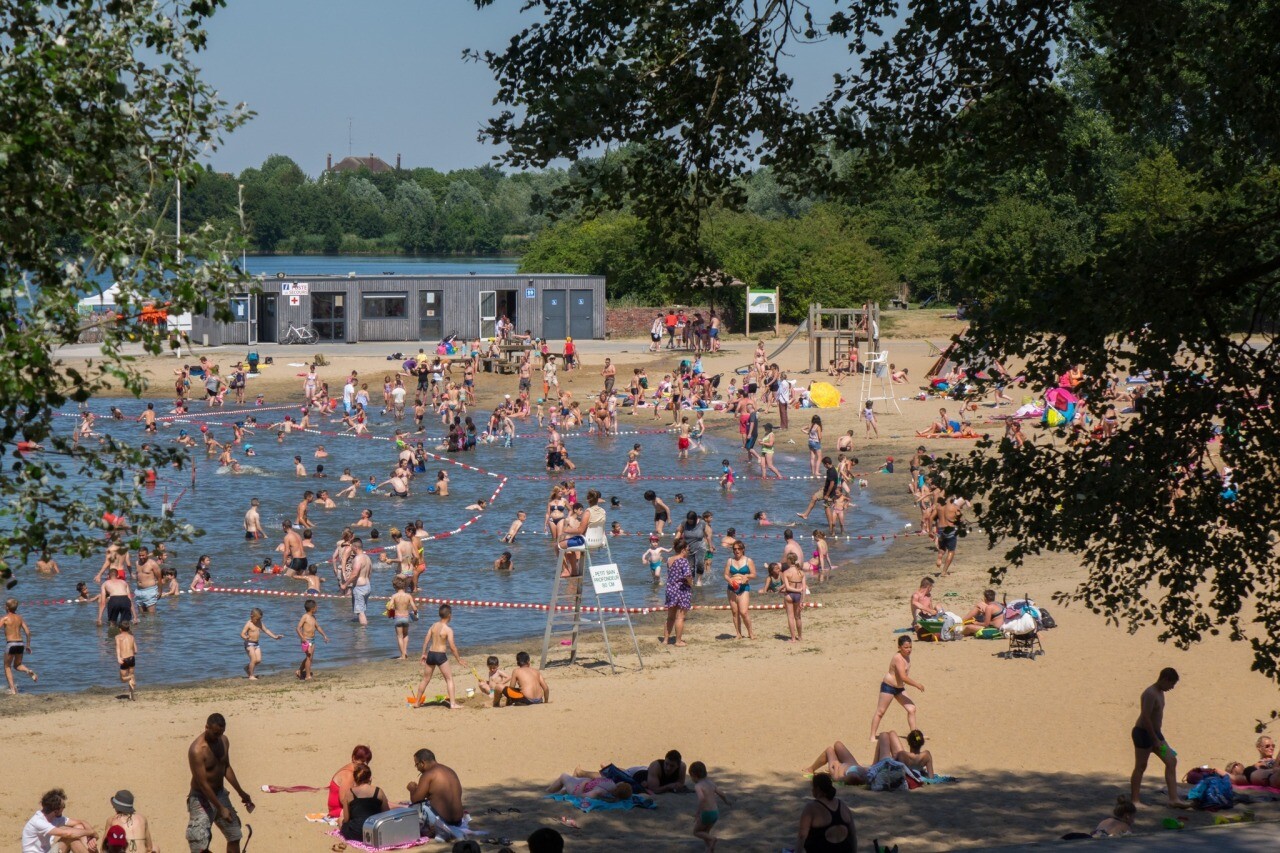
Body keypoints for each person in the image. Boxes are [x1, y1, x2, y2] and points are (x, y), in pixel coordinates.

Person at [187, 712, 255, 853]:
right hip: (201, 797)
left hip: (219, 793)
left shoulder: (224, 741)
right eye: (215, 733)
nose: (218, 737)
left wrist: (241, 792)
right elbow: (203, 784)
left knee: (235, 834)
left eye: (221, 733)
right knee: (199, 844)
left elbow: (226, 767)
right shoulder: (197, 750)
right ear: (206, 727)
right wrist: (220, 808)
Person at [1130, 667, 1191, 808]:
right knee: (1141, 766)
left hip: (1156, 735)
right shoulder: (1150, 693)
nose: (1172, 687)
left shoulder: (1160, 692)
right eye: (1172, 684)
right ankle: (1135, 800)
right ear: (1165, 680)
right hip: (1144, 735)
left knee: (1171, 760)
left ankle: (1173, 799)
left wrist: (1158, 738)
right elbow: (1145, 717)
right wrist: (1154, 739)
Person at [413, 605, 467, 709]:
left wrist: (423, 653)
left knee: (425, 679)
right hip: (440, 655)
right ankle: (452, 704)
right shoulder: (448, 629)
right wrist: (458, 659)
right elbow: (452, 647)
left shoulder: (433, 625)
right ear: (450, 616)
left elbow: (426, 639)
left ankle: (417, 702)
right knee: (449, 679)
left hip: (431, 653)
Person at [870, 635, 922, 740]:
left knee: (911, 709)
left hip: (899, 688)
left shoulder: (906, 656)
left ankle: (914, 735)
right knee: (880, 712)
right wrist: (917, 685)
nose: (909, 650)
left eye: (910, 647)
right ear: (899, 647)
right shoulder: (898, 658)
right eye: (906, 647)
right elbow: (903, 677)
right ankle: (872, 736)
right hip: (888, 687)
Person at [406, 748, 465, 838]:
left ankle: (431, 830)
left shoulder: (428, 774)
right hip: (459, 821)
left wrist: (412, 789)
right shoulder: (450, 770)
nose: (417, 769)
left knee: (413, 809)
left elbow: (416, 800)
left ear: (422, 763)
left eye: (417, 765)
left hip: (442, 821)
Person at [22, 789, 98, 853]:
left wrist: (92, 837)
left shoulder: (54, 817)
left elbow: (81, 822)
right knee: (71, 837)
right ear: (56, 811)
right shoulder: (38, 821)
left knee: (79, 828)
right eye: (63, 807)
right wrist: (92, 832)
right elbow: (68, 834)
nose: (64, 809)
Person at [796, 774, 855, 853]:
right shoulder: (842, 805)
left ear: (817, 789)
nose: (812, 790)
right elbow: (853, 834)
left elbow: (802, 836)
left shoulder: (811, 808)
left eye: (813, 788)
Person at [339, 764, 391, 841]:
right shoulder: (378, 791)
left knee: (340, 820)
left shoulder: (349, 793)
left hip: (356, 833)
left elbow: (346, 819)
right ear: (370, 778)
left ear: (355, 779)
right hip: (375, 832)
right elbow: (386, 813)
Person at [690, 761, 730, 852]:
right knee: (705, 832)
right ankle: (709, 849)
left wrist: (697, 812)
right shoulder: (711, 783)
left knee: (696, 832)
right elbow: (721, 793)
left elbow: (701, 799)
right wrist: (726, 801)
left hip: (706, 813)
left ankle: (712, 839)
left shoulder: (698, 786)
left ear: (693, 775)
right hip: (715, 813)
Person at [328, 745, 374, 820]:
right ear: (353, 758)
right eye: (362, 762)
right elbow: (344, 800)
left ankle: (399, 807)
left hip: (345, 807)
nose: (364, 765)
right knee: (375, 807)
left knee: (379, 802)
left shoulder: (356, 771)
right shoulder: (349, 774)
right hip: (338, 810)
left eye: (366, 763)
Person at [662, 540, 694, 647]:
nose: (688, 551)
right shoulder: (683, 561)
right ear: (683, 549)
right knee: (680, 617)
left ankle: (665, 640)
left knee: (670, 616)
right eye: (688, 549)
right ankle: (678, 641)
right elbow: (688, 575)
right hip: (681, 589)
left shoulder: (669, 559)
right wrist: (691, 584)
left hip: (670, 589)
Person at [723, 541, 756, 640]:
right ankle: (738, 633)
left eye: (739, 549)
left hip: (743, 587)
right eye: (735, 549)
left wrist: (746, 576)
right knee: (734, 612)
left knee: (743, 612)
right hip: (731, 588)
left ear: (743, 549)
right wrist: (729, 580)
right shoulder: (730, 561)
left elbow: (754, 574)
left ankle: (750, 633)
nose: (737, 551)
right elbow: (725, 574)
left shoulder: (748, 561)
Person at [2, 598, 37, 693]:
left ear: (7, 607)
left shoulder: (5, 618)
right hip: (20, 644)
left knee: (7, 666)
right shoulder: (20, 618)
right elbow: (28, 632)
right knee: (17, 665)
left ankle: (13, 690)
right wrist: (28, 645)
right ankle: (28, 671)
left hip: (11, 644)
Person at [240, 608, 281, 680]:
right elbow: (242, 633)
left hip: (256, 643)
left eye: (260, 619)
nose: (258, 620)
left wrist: (275, 637)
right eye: (257, 619)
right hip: (249, 643)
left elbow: (266, 630)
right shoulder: (249, 623)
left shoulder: (260, 623)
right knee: (253, 659)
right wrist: (245, 637)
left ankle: (247, 668)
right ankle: (251, 676)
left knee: (258, 660)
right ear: (251, 616)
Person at [295, 598, 328, 682]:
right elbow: (298, 628)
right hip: (306, 640)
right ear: (312, 608)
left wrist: (324, 635)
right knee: (309, 657)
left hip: (312, 640)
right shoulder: (305, 617)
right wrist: (302, 638)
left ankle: (299, 670)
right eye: (316, 607)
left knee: (310, 658)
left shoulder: (313, 617)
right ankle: (307, 675)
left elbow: (318, 627)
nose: (317, 608)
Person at [116, 619, 137, 700]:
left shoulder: (118, 637)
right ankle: (132, 696)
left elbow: (118, 648)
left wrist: (118, 657)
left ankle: (131, 678)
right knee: (131, 675)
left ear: (120, 629)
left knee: (123, 679)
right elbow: (136, 650)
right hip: (132, 658)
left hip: (124, 659)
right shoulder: (132, 637)